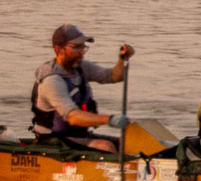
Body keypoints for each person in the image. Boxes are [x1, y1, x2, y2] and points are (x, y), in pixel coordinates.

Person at [31, 24, 134, 152]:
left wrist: (122, 59)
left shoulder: (81, 67)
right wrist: (109, 119)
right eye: (76, 47)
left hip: (77, 136)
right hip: (53, 140)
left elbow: (113, 76)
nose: (82, 52)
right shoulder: (52, 80)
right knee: (106, 147)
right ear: (59, 50)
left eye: (83, 47)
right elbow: (72, 116)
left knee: (128, 145)